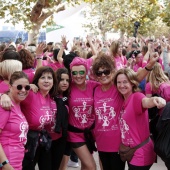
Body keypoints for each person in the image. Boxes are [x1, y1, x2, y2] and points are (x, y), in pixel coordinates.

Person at [91, 52, 160, 170]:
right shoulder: (95, 90)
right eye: (99, 72)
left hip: (118, 144)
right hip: (101, 142)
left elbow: (135, 78)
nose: (103, 75)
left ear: (112, 71)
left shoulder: (118, 87)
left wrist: (150, 64)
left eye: (106, 71)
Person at [113, 68, 166, 170]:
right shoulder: (124, 100)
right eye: (119, 82)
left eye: (125, 82)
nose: (121, 85)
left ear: (132, 83)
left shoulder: (136, 97)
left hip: (141, 153)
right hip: (131, 152)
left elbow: (146, 101)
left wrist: (156, 99)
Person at [66, 57, 99, 170]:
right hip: (74, 134)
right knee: (91, 166)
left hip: (90, 133)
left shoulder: (93, 85)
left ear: (86, 72)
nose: (78, 76)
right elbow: (50, 87)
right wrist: (33, 86)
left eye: (81, 72)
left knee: (85, 165)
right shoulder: (68, 86)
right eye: (74, 73)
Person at [0, 71, 30, 170]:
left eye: (27, 87)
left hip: (17, 159)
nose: (23, 90)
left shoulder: (17, 104)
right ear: (10, 86)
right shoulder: (5, 105)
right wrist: (4, 164)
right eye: (19, 87)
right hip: (8, 160)